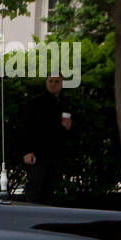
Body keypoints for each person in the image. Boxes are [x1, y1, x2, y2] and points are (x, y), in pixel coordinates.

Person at [18, 74, 72, 204]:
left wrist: (69, 126)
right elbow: (26, 128)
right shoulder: (36, 102)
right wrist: (27, 151)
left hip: (57, 154)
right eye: (51, 81)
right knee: (35, 188)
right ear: (46, 83)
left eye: (57, 81)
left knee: (51, 189)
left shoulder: (64, 103)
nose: (54, 84)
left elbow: (66, 129)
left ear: (62, 84)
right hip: (39, 154)